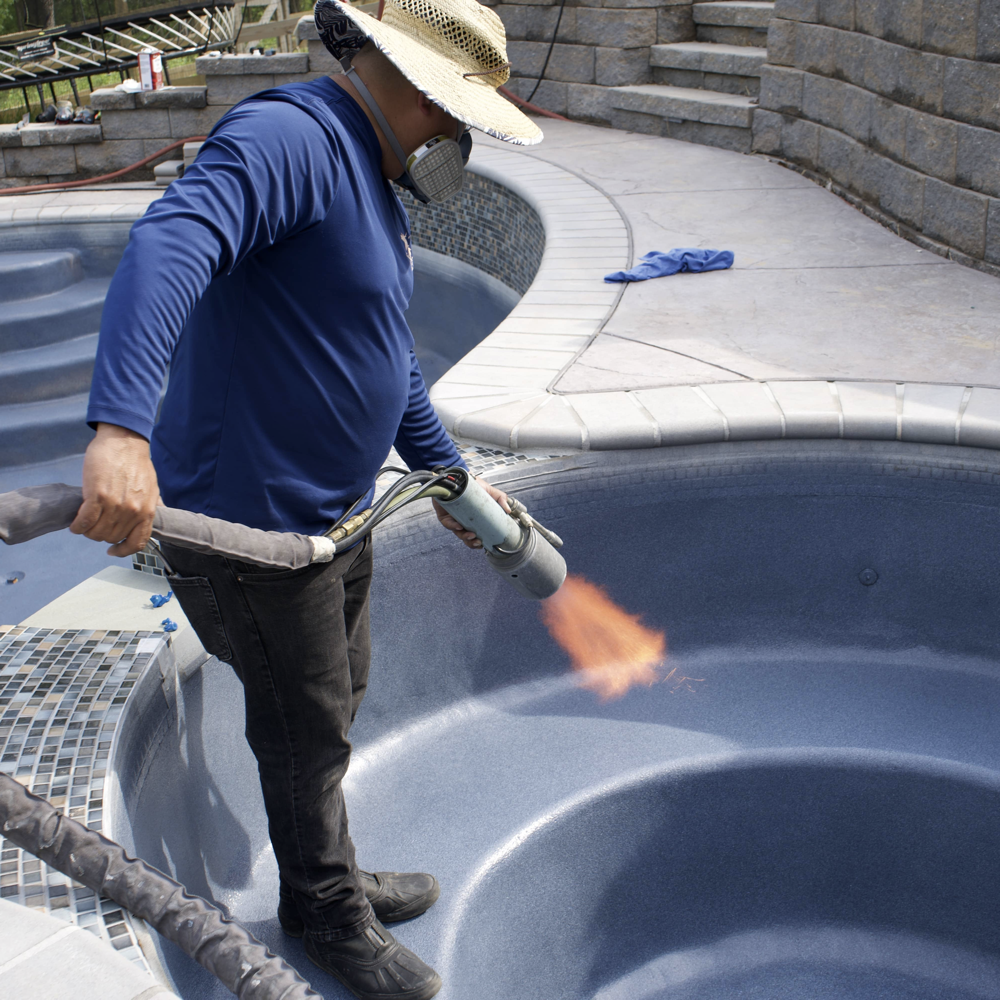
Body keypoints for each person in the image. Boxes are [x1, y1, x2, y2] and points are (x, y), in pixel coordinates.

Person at [70, 1, 542, 997]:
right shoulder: (288, 139)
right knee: (305, 723)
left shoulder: (367, 178)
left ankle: (330, 869)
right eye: (461, 117)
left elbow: (385, 354)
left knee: (334, 698)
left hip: (332, 516)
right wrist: (119, 428)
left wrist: (446, 471)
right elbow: (169, 247)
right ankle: (323, 912)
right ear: (420, 93)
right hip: (254, 531)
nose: (461, 139)